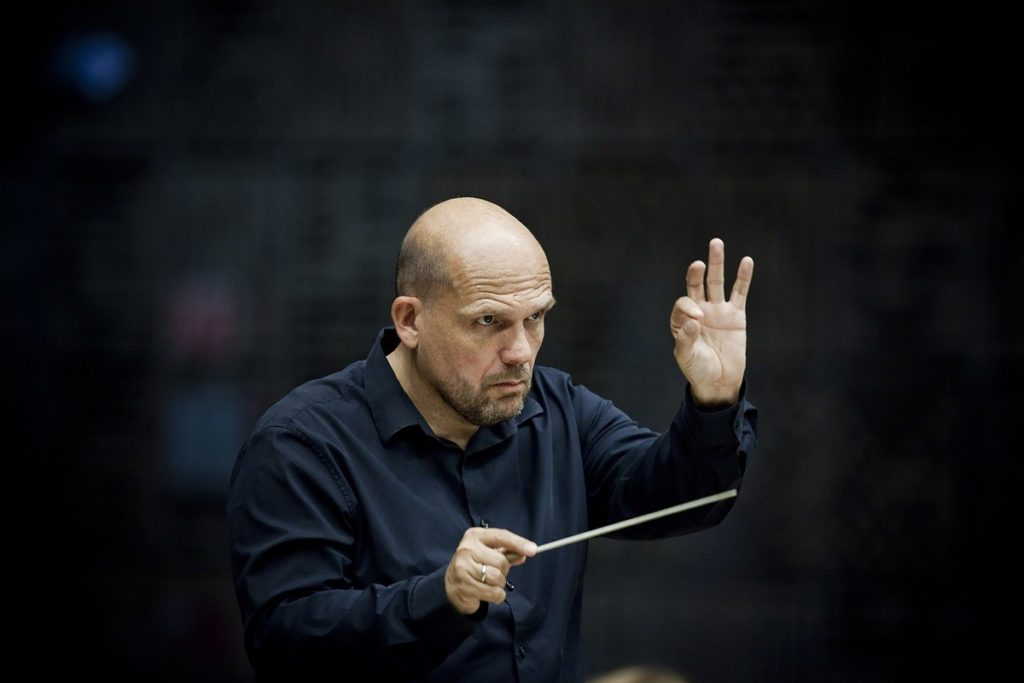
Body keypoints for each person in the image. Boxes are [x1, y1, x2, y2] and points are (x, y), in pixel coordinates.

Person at [226, 197, 758, 682]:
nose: (522, 352)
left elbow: (685, 498)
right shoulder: (302, 445)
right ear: (410, 320)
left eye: (536, 318)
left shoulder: (558, 408)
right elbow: (285, 641)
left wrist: (715, 400)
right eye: (489, 322)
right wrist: (438, 597)